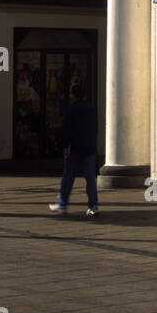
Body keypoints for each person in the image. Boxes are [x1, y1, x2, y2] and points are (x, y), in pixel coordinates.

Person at [50, 83, 98, 216]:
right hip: (89, 147)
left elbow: (67, 130)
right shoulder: (91, 108)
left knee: (68, 177)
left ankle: (62, 204)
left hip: (75, 148)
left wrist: (65, 146)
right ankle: (93, 205)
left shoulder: (71, 109)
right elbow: (95, 129)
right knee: (90, 178)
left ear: (73, 95)